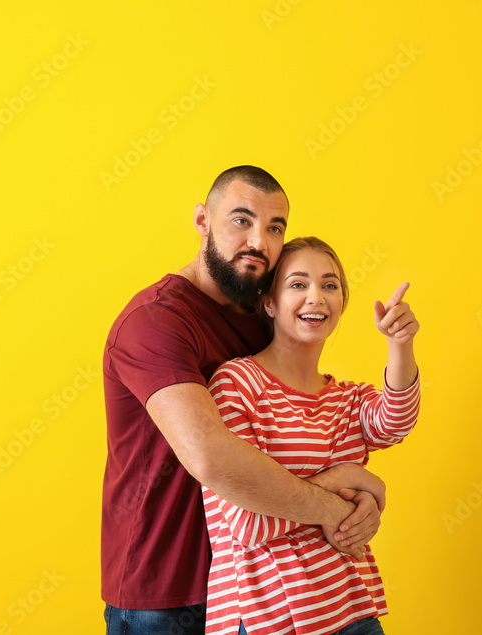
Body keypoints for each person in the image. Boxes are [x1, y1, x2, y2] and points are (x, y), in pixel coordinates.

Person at [101, 167, 386, 635]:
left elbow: (304, 436)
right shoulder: (155, 322)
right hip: (164, 590)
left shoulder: (262, 318)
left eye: (275, 227)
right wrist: (342, 507)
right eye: (241, 220)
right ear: (202, 221)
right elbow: (210, 458)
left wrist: (362, 493)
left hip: (255, 588)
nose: (259, 241)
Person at [202, 237, 420, 635]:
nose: (316, 297)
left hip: (352, 608)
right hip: (267, 617)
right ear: (269, 302)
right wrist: (341, 481)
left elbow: (395, 423)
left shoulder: (346, 398)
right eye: (298, 284)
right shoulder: (237, 384)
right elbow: (248, 524)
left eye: (330, 285)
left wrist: (399, 344)